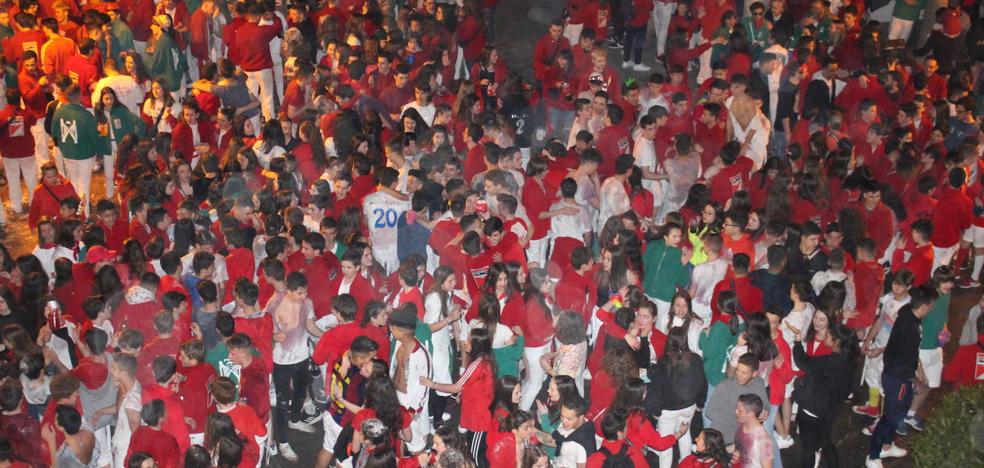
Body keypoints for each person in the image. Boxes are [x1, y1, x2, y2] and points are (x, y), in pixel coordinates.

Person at [866, 286, 938, 468]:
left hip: (897, 373)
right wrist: (917, 382)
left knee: (897, 412)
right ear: (925, 306)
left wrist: (919, 369)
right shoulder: (911, 329)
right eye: (932, 306)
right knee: (891, 416)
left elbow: (901, 347)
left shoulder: (907, 312)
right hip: (898, 379)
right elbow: (905, 363)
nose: (932, 309)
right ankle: (873, 455)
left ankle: (887, 444)